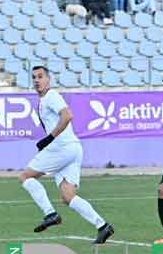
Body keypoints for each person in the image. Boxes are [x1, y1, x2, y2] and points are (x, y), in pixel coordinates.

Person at [17, 66, 114, 243]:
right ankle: (103, 226)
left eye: (40, 77)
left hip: (61, 147)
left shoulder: (51, 96)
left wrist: (49, 139)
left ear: (48, 80)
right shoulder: (44, 100)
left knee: (25, 176)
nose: (37, 80)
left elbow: (67, 115)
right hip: (73, 148)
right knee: (68, 196)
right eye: (34, 78)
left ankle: (50, 214)